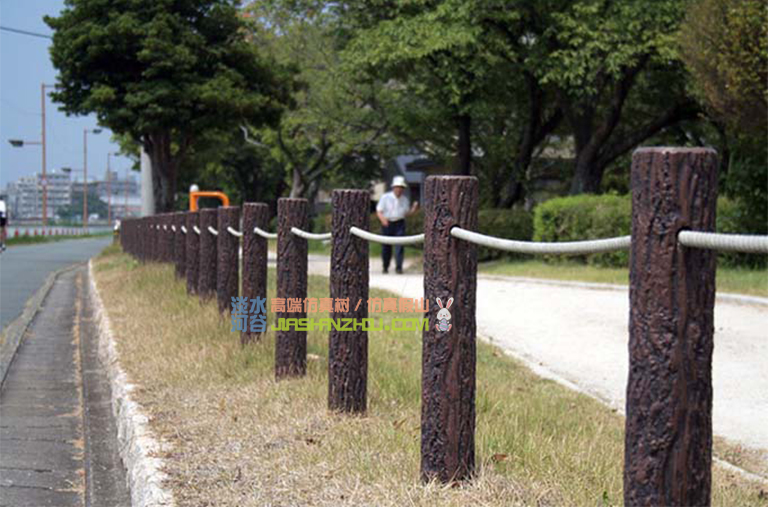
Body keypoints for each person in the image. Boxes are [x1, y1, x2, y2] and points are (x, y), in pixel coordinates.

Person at [376, 176, 418, 274]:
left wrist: (413, 209)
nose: (399, 189)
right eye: (397, 187)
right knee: (386, 246)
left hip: (399, 223)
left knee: (400, 245)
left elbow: (406, 213)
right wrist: (383, 220)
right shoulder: (385, 197)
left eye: (401, 187)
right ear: (393, 188)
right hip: (387, 222)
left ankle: (399, 268)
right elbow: (379, 211)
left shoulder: (405, 199)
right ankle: (385, 266)